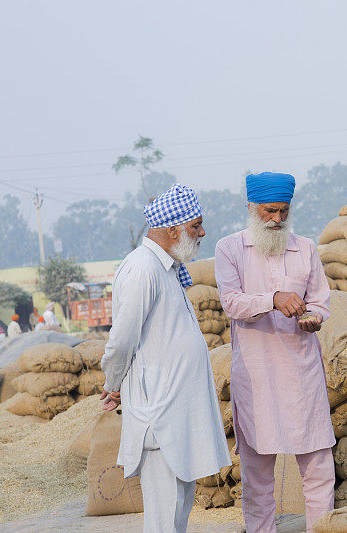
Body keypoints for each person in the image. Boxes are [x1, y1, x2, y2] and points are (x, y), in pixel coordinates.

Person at [100, 183, 231, 533]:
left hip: (176, 410)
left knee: (177, 513)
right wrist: (112, 385)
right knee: (162, 519)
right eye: (195, 225)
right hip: (158, 412)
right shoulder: (143, 268)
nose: (202, 232)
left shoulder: (168, 268)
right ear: (173, 229)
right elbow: (121, 340)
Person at [215, 171, 335, 533]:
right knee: (257, 475)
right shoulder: (229, 248)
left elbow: (321, 303)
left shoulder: (306, 248)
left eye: (283, 212)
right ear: (250, 207)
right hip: (257, 376)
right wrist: (272, 299)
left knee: (318, 469)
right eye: (269, 211)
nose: (277, 220)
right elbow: (232, 304)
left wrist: (314, 319)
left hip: (301, 373)